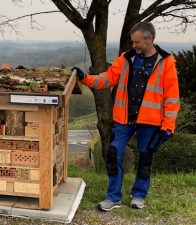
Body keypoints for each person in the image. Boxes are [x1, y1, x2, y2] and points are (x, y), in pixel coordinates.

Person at [72, 22, 180, 211]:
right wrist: (85, 78)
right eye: (132, 42)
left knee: (145, 157)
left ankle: (139, 195)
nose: (134, 45)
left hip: (151, 121)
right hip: (124, 119)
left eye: (137, 42)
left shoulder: (166, 62)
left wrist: (168, 126)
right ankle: (113, 198)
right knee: (113, 153)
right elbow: (106, 79)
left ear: (149, 39)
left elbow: (172, 99)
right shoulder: (127, 58)